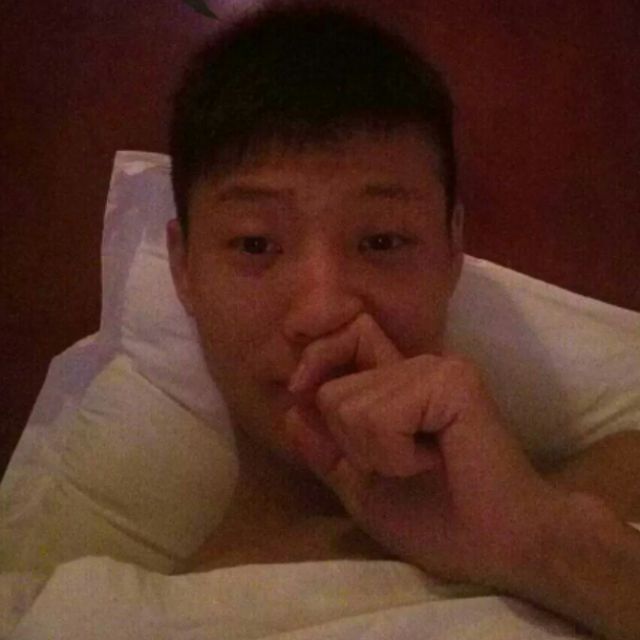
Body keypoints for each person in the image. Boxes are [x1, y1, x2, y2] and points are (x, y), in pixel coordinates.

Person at [165, 2, 640, 638]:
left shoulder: (620, 493)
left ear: (452, 251)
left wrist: (542, 544)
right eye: (255, 244)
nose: (323, 309)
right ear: (183, 268)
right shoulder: (97, 612)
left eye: (383, 241)